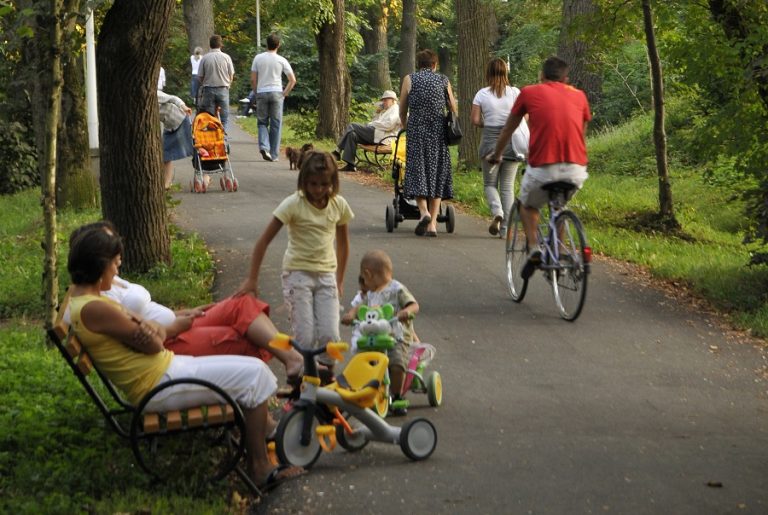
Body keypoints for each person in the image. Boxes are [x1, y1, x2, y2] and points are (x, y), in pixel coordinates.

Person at [65, 226, 305, 489]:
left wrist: (148, 326)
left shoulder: (86, 299)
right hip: (159, 384)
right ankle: (260, 468)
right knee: (255, 375)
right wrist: (150, 328)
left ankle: (262, 441)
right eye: (114, 263)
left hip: (164, 372)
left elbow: (150, 332)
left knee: (253, 370)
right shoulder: (96, 308)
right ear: (100, 266)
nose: (117, 269)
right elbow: (154, 344)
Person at [64, 221, 304, 384]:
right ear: (97, 258)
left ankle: (292, 359)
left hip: (176, 324)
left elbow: (142, 314)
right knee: (239, 336)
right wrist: (173, 325)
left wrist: (179, 313)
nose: (118, 255)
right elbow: (137, 334)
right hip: (170, 340)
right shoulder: (96, 298)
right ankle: (281, 385)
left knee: (242, 304)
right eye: (111, 249)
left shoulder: (109, 280)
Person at [238, 151, 353, 374]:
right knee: (306, 337)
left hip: (326, 276)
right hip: (297, 275)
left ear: (333, 183)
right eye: (312, 184)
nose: (318, 190)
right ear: (303, 181)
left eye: (324, 184)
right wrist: (251, 279)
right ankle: (301, 386)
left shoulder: (338, 205)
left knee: (330, 336)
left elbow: (344, 245)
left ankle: (326, 383)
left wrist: (339, 280)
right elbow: (263, 242)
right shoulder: (293, 204)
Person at [489, 56, 591, 278]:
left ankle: (534, 248)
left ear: (542, 76)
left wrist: (496, 155)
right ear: (566, 79)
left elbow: (509, 129)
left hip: (544, 166)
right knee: (559, 207)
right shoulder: (580, 96)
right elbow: (581, 134)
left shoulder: (529, 92)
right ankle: (558, 256)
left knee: (527, 205)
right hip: (576, 168)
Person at [341, 250, 419, 416]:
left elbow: (414, 305)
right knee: (366, 361)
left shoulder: (397, 288)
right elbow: (358, 307)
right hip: (375, 337)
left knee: (397, 364)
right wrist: (351, 315)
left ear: (368, 274)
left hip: (396, 336)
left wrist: (406, 312)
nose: (364, 283)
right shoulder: (369, 294)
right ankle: (366, 390)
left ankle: (397, 397)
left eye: (364, 278)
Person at [399, 49, 457, 238]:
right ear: (435, 64)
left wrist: (407, 124)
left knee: (418, 171)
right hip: (438, 132)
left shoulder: (410, 79)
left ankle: (422, 212)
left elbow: (402, 108)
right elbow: (453, 108)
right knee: (437, 173)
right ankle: (432, 224)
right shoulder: (443, 80)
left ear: (419, 64)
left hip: (416, 131)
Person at [471, 58, 529, 237]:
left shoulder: (482, 94)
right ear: (506, 72)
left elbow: (474, 120)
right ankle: (506, 230)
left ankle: (497, 212)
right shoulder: (515, 93)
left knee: (490, 183)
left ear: (488, 73)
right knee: (507, 187)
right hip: (512, 141)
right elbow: (525, 116)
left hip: (489, 140)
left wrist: (486, 123)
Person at [250, 33, 296, 162]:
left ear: (266, 44)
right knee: (276, 124)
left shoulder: (258, 58)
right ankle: (274, 155)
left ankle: (264, 147)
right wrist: (284, 94)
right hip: (277, 93)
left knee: (262, 122)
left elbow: (253, 79)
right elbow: (292, 80)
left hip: (262, 93)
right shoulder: (282, 60)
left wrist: (257, 92)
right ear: (278, 45)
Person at [332, 90, 401, 172]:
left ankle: (337, 151)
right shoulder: (387, 110)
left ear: (393, 100)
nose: (383, 102)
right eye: (383, 100)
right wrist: (377, 113)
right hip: (376, 134)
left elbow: (388, 125)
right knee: (352, 135)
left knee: (352, 125)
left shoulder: (395, 109)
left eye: (386, 100)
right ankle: (350, 165)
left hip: (382, 137)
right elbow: (377, 122)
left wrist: (371, 124)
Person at [198, 34, 235, 133]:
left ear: (210, 45)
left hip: (208, 89)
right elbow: (231, 74)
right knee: (224, 117)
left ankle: (212, 137)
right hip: (223, 88)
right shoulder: (226, 57)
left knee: (210, 117)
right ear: (220, 45)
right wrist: (229, 84)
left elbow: (200, 76)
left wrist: (204, 83)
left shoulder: (205, 58)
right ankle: (223, 137)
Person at [158, 90, 195, 189]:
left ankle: (204, 174)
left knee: (193, 149)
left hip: (181, 119)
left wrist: (184, 107)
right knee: (166, 155)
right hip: (169, 126)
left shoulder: (154, 94)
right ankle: (167, 183)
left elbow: (173, 98)